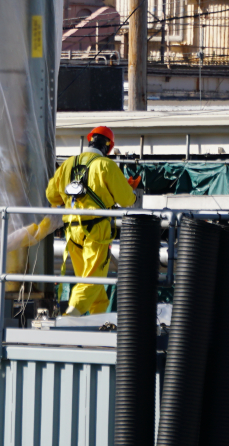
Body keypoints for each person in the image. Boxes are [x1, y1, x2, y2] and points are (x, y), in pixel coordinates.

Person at [45, 125, 137, 316]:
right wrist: (130, 190)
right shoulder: (106, 165)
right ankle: (71, 315)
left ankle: (99, 320)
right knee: (93, 279)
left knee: (92, 284)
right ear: (108, 147)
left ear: (90, 140)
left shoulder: (68, 164)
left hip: (72, 232)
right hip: (96, 231)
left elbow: (51, 196)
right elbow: (127, 200)